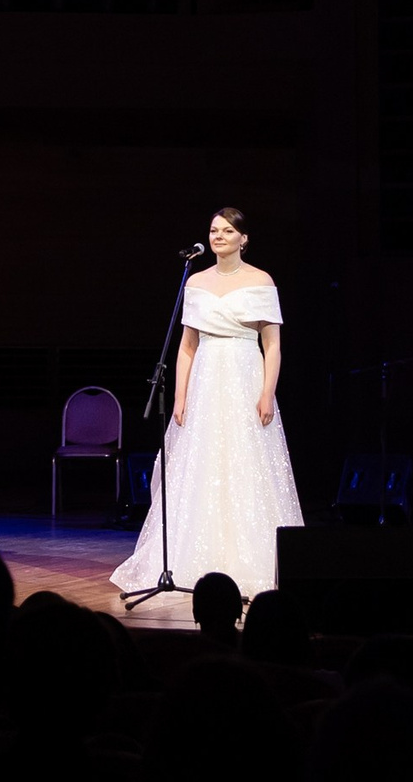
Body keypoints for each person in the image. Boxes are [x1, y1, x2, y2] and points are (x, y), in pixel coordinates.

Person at [112, 207, 304, 596]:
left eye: (227, 230)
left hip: (244, 372)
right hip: (206, 377)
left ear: (243, 239)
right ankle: (191, 560)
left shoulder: (260, 280)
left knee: (245, 461)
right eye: (214, 230)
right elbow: (186, 346)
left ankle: (251, 561)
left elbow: (273, 344)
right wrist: (182, 396)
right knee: (201, 465)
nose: (218, 236)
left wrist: (267, 392)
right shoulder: (195, 281)